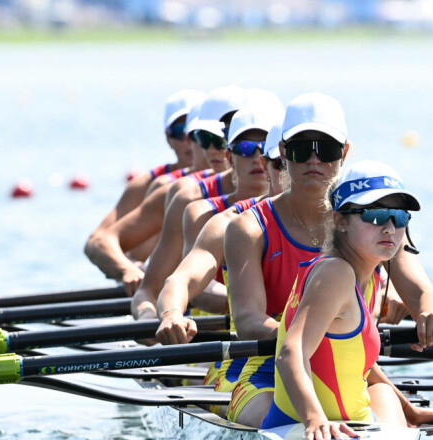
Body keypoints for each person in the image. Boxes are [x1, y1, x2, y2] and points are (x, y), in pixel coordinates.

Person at [223, 93, 433, 428]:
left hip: (340, 375)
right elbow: (249, 323)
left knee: (381, 398)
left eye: (326, 148)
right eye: (302, 148)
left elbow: (420, 293)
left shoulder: (372, 227)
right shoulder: (250, 227)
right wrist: (322, 327)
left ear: (343, 153)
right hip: (265, 371)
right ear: (284, 152)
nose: (314, 160)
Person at [262, 161, 433, 440]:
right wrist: (315, 421)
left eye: (398, 217)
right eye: (375, 215)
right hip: (307, 430)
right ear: (341, 221)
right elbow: (290, 354)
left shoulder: (370, 275)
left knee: (383, 391)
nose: (388, 228)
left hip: (354, 425)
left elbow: (355, 360)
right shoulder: (335, 273)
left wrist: (410, 411)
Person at [130, 98, 284, 322]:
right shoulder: (201, 211)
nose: (255, 157)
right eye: (245, 148)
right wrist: (152, 315)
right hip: (211, 336)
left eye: (263, 148)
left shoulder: (320, 216)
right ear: (229, 157)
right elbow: (182, 285)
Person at [83, 86, 244, 293]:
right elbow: (99, 242)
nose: (213, 147)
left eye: (221, 137)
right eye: (200, 136)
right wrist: (129, 270)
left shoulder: (266, 183)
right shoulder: (170, 190)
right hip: (176, 298)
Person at [85, 89, 203, 265]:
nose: (188, 140)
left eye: (196, 132)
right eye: (180, 131)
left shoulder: (238, 180)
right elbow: (95, 242)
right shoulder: (150, 185)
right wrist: (126, 269)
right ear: (168, 138)